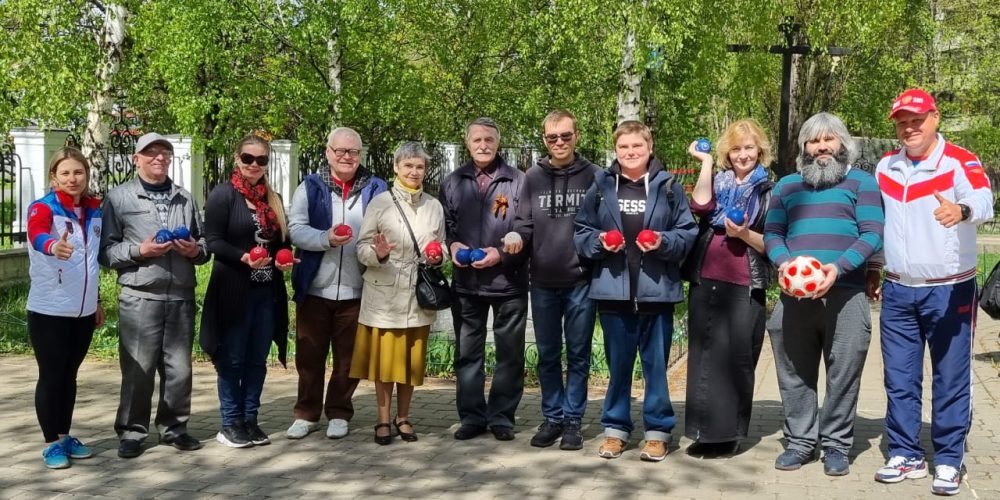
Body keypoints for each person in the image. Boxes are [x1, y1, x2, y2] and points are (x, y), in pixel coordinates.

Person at [871, 89, 993, 496]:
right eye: (902, 121)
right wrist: (874, 267)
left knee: (950, 378)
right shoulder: (886, 166)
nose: (909, 128)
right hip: (899, 288)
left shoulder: (961, 159)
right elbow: (879, 221)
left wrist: (961, 210)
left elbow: (984, 199)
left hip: (950, 288)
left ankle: (947, 459)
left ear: (935, 118)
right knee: (899, 378)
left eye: (916, 120)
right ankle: (906, 453)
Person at [763, 112, 884, 476]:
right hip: (794, 297)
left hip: (846, 294)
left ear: (843, 144)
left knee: (843, 372)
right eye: (814, 141)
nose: (821, 147)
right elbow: (772, 233)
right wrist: (785, 265)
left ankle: (835, 445)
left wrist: (837, 268)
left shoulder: (862, 183)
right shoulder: (786, 186)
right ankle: (800, 441)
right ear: (804, 147)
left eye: (829, 140)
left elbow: (872, 233)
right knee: (794, 371)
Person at [574, 120, 697, 462]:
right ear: (616, 150)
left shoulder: (668, 186)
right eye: (624, 147)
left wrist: (662, 241)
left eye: (637, 147)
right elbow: (581, 231)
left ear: (649, 147)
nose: (630, 153)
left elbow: (687, 233)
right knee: (619, 367)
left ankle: (657, 433)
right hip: (613, 293)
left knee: (656, 367)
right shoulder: (600, 186)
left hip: (657, 292)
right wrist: (598, 242)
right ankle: (616, 430)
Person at [99, 132, 210, 459]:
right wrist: (140, 249)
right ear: (136, 159)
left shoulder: (184, 198)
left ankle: (175, 429)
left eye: (164, 153)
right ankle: (132, 432)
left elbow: (204, 247)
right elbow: (106, 253)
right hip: (139, 295)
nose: (159, 158)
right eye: (151, 153)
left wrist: (194, 250)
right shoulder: (119, 198)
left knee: (180, 368)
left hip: (180, 295)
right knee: (139, 369)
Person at [503, 110, 598, 450]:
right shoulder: (533, 177)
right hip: (542, 281)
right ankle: (552, 417)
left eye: (565, 136)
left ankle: (573, 421)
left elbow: (605, 225)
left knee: (578, 354)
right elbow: (524, 222)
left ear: (577, 136)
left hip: (581, 281)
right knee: (547, 354)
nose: (559, 142)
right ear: (544, 139)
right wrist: (516, 236)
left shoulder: (594, 176)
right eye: (551, 137)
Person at [287, 127, 388, 440]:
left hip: (358, 288)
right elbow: (295, 229)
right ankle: (306, 414)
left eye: (353, 152)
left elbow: (387, 227)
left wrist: (380, 251)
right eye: (341, 151)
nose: (347, 157)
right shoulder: (311, 186)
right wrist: (324, 238)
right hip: (315, 286)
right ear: (328, 152)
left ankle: (339, 411)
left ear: (361, 155)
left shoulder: (376, 188)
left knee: (348, 358)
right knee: (309, 356)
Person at [681, 119, 774, 457]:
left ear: (759, 151)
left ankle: (730, 434)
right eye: (736, 148)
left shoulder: (770, 189)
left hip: (745, 279)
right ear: (727, 152)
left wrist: (744, 235)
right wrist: (705, 163)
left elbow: (775, 244)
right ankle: (703, 432)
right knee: (704, 353)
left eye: (749, 148)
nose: (743, 155)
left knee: (736, 357)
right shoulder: (718, 180)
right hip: (706, 274)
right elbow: (701, 206)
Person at [349, 141, 448, 444]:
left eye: (419, 166)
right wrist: (377, 253)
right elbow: (362, 247)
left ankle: (403, 417)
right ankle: (381, 420)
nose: (414, 171)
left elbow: (442, 244)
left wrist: (438, 256)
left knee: (410, 363)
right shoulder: (381, 203)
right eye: (408, 166)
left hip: (417, 297)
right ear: (396, 167)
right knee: (385, 364)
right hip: (384, 295)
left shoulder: (433, 206)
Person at [200, 134, 293, 448]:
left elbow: (282, 243)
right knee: (233, 358)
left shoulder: (273, 198)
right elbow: (212, 240)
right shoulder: (223, 195)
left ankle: (250, 419)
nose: (254, 165)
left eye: (261, 160)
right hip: (233, 290)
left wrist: (284, 260)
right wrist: (242, 257)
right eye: (248, 159)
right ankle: (229, 422)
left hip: (267, 290)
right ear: (236, 160)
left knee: (256, 359)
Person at [439, 117, 529, 441]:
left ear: (498, 142)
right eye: (477, 139)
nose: (483, 145)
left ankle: (502, 418)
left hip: (509, 282)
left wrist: (502, 254)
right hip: (466, 285)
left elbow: (527, 227)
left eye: (489, 139)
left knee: (510, 355)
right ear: (467, 143)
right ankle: (472, 418)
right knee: (466, 354)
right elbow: (445, 225)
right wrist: (453, 245)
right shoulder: (452, 181)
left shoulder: (518, 181)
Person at [25, 147, 104, 468]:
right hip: (49, 310)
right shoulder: (43, 207)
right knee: (51, 375)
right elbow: (36, 234)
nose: (73, 179)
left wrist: (96, 302)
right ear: (53, 177)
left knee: (69, 375)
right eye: (65, 173)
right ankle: (51, 443)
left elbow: (92, 261)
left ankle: (64, 434)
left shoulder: (96, 209)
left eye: (78, 172)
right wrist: (52, 245)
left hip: (83, 310)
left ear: (86, 175)